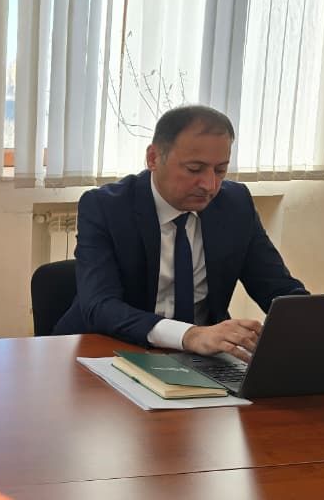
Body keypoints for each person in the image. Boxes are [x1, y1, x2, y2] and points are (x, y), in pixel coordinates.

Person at [52, 105, 307, 362]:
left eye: (220, 170)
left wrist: (318, 324)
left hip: (202, 361)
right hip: (108, 352)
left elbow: (277, 288)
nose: (209, 185)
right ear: (153, 158)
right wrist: (190, 335)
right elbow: (101, 306)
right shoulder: (106, 207)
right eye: (194, 169)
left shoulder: (235, 205)